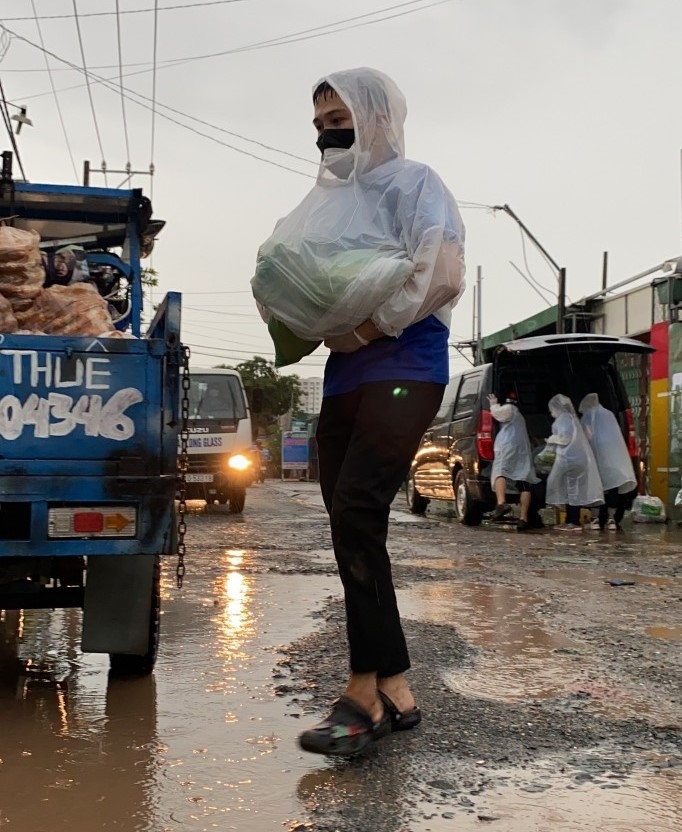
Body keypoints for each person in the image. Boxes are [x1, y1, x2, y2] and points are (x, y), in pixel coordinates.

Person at [256, 67, 465, 755]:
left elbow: (440, 272)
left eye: (338, 119)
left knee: (356, 512)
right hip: (344, 375)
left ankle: (359, 697)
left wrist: (367, 330)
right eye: (318, 125)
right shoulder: (332, 199)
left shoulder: (415, 183)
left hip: (404, 367)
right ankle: (397, 686)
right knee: (352, 527)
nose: (327, 133)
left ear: (375, 118)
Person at [545, 393, 604, 532]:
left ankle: (573, 521)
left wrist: (552, 439)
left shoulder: (563, 419)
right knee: (573, 489)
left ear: (557, 408)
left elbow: (565, 438)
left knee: (562, 486)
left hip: (569, 459)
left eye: (552, 409)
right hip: (579, 459)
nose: (551, 412)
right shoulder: (572, 419)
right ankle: (572, 519)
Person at [579, 393, 637, 531]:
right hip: (613, 459)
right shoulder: (608, 414)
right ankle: (611, 520)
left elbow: (586, 437)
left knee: (596, 487)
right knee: (613, 487)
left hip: (597, 459)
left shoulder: (587, 417)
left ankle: (595, 519)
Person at [487, 391, 540, 531]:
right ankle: (523, 518)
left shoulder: (509, 409)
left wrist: (493, 405)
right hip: (522, 449)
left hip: (507, 445)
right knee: (523, 481)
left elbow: (499, 414)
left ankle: (501, 503)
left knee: (500, 471)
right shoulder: (520, 417)